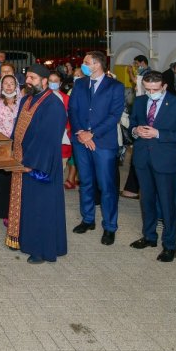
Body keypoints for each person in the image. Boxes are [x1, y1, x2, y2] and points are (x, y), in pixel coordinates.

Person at [128, 71, 176, 261]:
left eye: (155, 89)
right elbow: (132, 123)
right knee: (146, 200)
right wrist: (136, 130)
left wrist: (159, 133)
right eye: (147, 89)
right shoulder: (141, 101)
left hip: (165, 160)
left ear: (164, 86)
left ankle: (170, 245)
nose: (151, 93)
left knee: (167, 204)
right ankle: (149, 236)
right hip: (142, 158)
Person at [4, 65, 68, 262]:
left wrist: (33, 164)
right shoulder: (26, 99)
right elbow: (17, 130)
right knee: (27, 205)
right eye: (27, 77)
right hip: (23, 160)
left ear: (45, 81)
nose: (28, 81)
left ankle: (41, 250)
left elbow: (49, 139)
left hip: (40, 165)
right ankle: (25, 240)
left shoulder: (53, 105)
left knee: (41, 207)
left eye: (32, 77)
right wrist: (13, 152)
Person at [68, 50, 126, 245]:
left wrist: (92, 133)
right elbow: (72, 110)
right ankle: (88, 219)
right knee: (85, 182)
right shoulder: (80, 84)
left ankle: (110, 227)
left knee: (106, 186)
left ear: (97, 64)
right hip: (80, 140)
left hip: (103, 142)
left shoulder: (115, 86)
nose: (83, 65)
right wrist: (81, 133)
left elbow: (114, 115)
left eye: (86, 62)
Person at [0, 74, 22, 219]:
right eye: (6, 83)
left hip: (18, 142)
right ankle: (1, 210)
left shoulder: (21, 101)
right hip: (2, 142)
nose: (9, 86)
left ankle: (16, 209)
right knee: (2, 174)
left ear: (16, 86)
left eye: (11, 83)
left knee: (16, 174)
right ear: (1, 86)